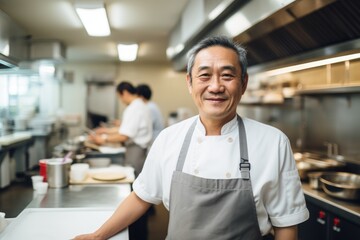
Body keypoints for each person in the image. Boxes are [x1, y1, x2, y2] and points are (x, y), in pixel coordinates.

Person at [74, 36, 309, 240]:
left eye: (227, 75)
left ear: (243, 83)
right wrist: (99, 235)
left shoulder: (273, 142)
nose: (215, 86)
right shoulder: (169, 139)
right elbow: (141, 197)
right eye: (205, 75)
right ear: (190, 82)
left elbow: (286, 224)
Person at [89, 81, 152, 176]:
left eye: (120, 97)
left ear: (125, 93)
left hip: (136, 150)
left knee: (133, 177)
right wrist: (105, 131)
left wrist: (104, 139)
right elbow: (125, 129)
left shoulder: (134, 108)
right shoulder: (139, 105)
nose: (121, 100)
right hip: (137, 149)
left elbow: (124, 136)